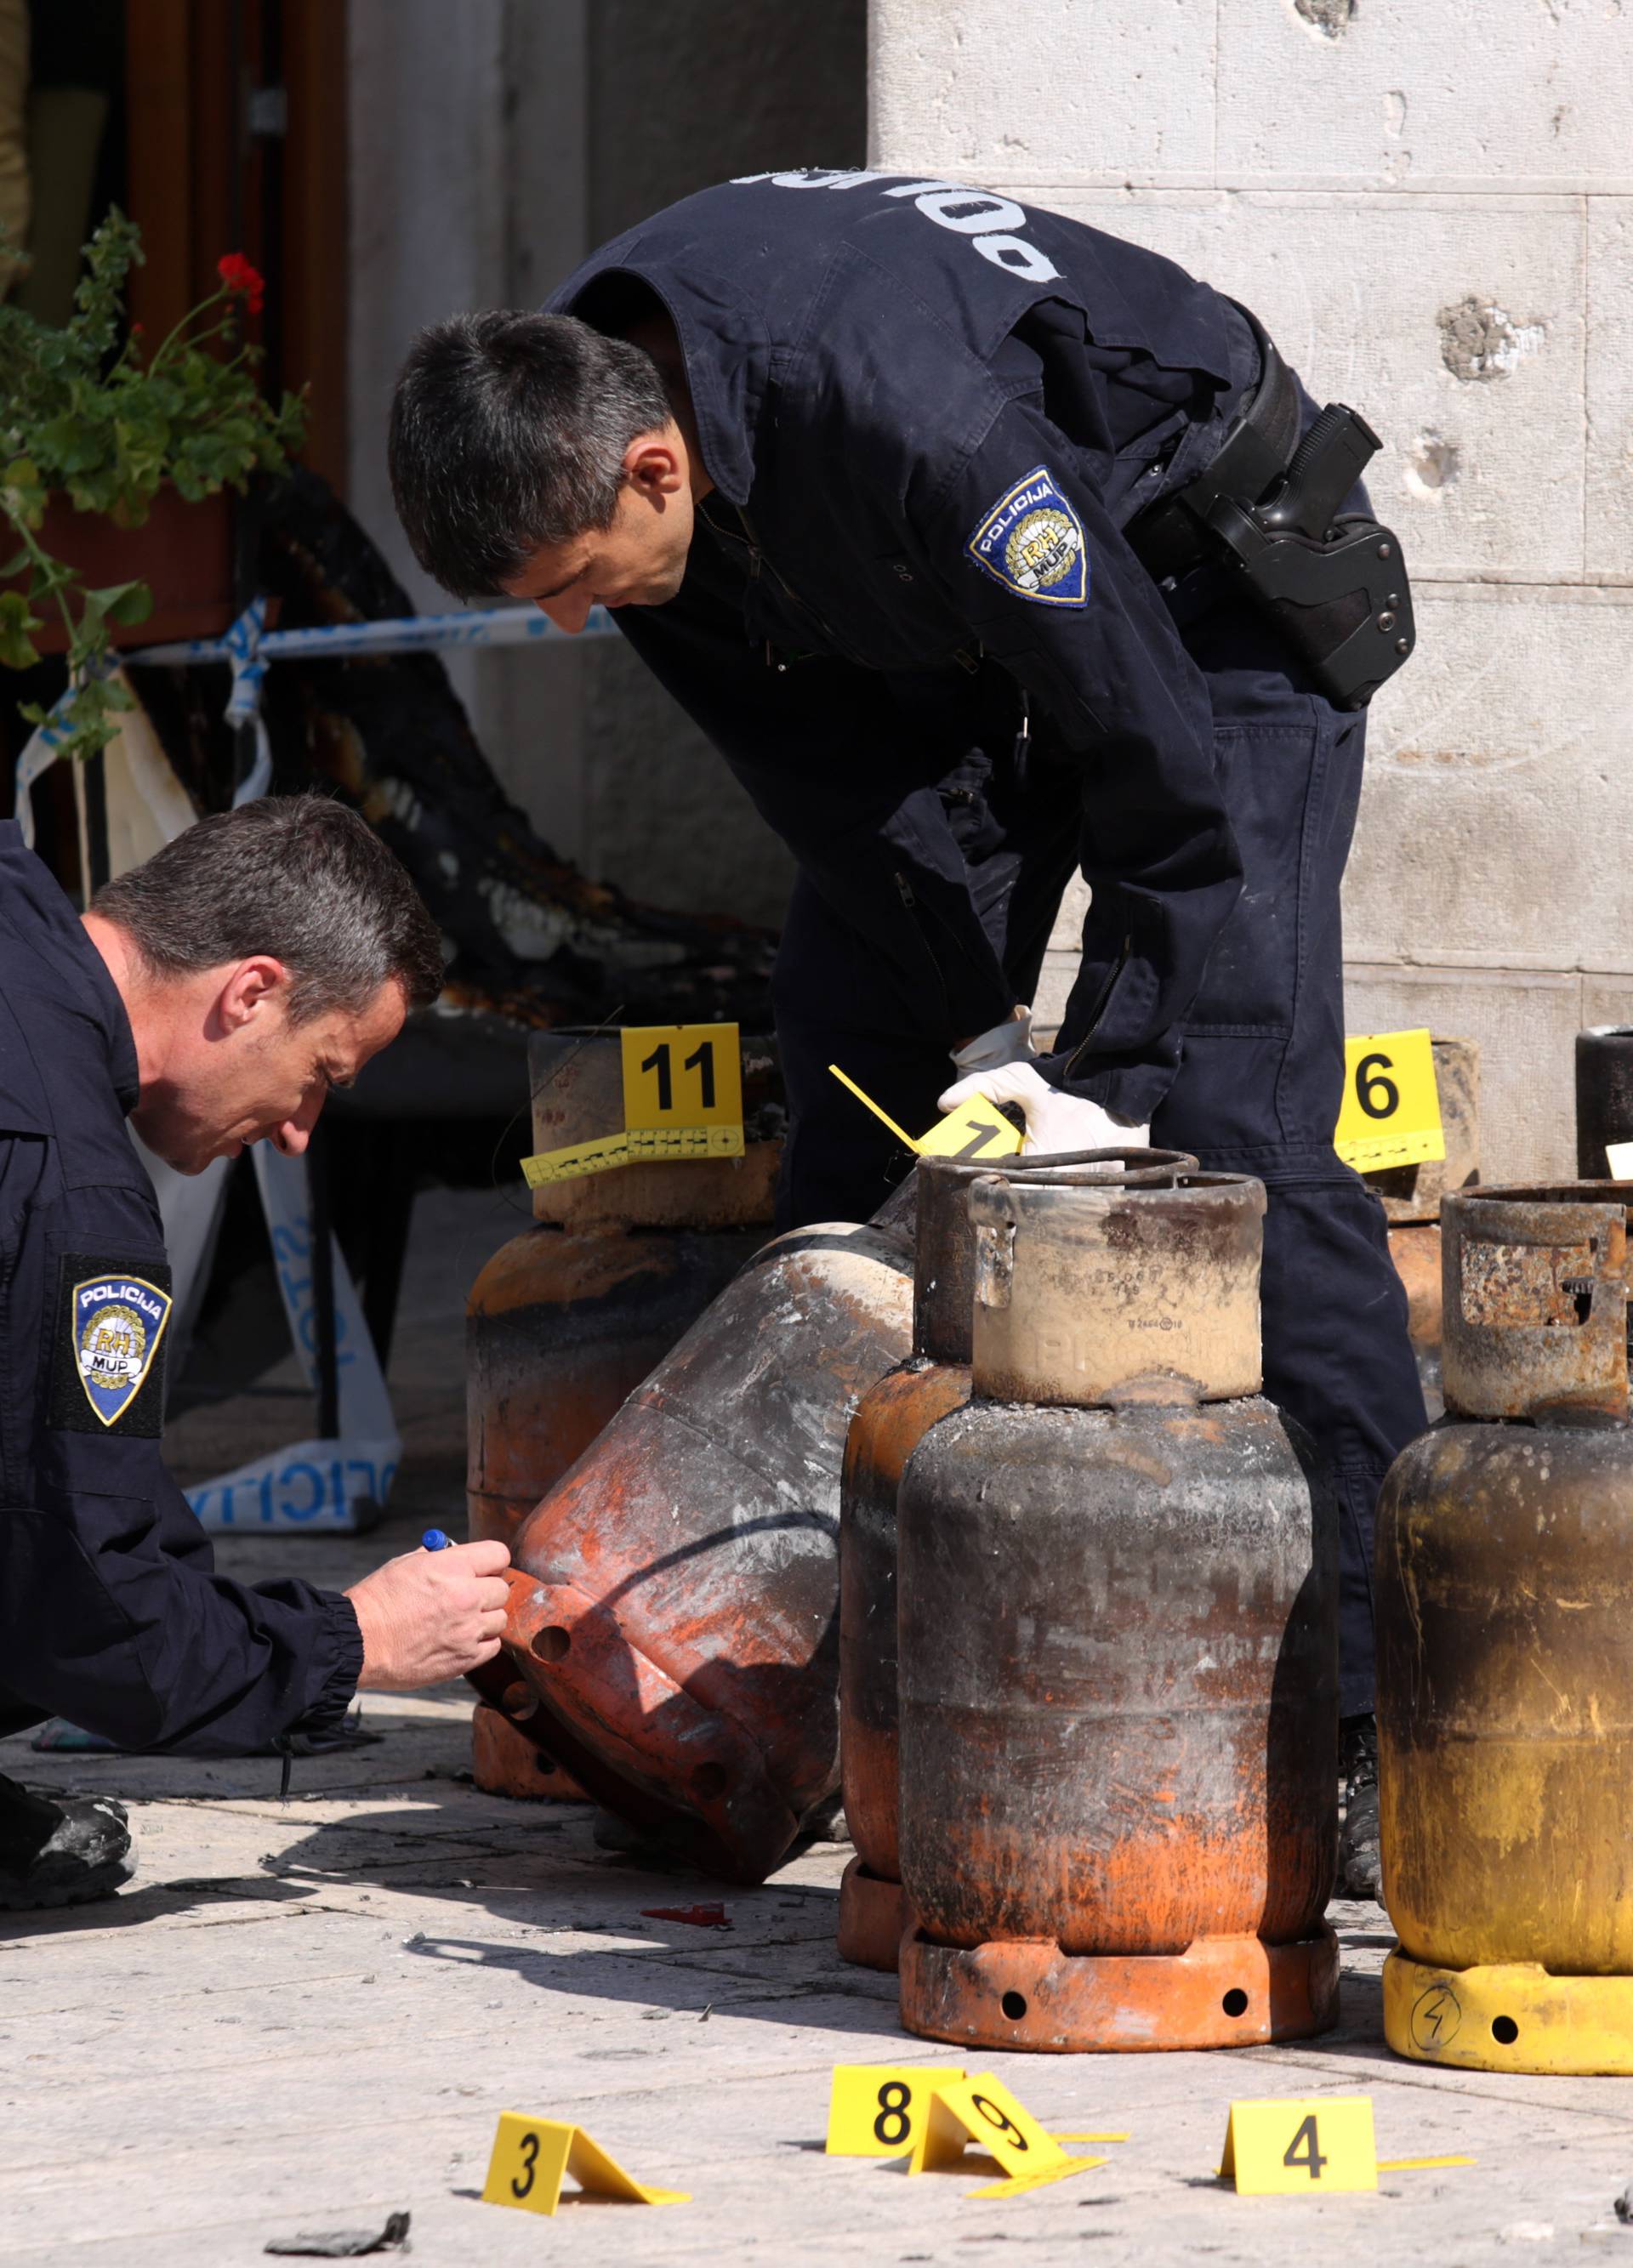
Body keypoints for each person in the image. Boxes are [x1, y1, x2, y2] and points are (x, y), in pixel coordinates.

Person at [385, 168, 1426, 1897]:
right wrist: (969, 1036)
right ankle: (837, 1679)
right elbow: (838, 789)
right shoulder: (589, 403)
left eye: (578, 583)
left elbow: (1157, 748)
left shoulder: (899, 412)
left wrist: (1108, 1064)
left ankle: (1380, 1710)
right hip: (957, 635)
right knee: (861, 1081)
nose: (573, 622)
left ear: (657, 472)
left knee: (1234, 1137)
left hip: (1206, 598)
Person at [0, 794, 512, 1910]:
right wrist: (352, 1637)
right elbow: (95, 1608)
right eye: (322, 1074)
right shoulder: (70, 1190)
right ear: (249, 994)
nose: (296, 1129)